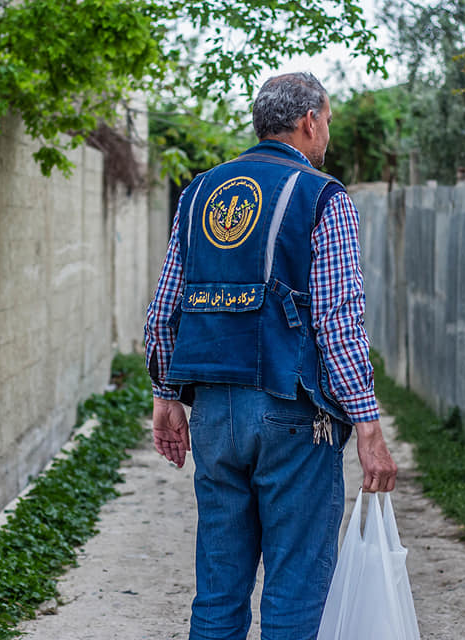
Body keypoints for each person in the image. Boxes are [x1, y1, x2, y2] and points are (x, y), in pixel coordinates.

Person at [143, 71, 397, 640]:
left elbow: (164, 312)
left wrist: (166, 396)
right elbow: (337, 324)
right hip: (293, 418)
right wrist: (368, 426)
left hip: (213, 415)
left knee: (218, 589)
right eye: (327, 120)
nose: (327, 133)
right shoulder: (323, 198)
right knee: (295, 589)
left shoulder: (198, 193)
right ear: (309, 121)